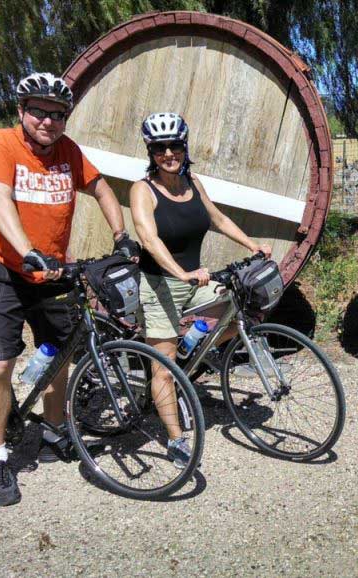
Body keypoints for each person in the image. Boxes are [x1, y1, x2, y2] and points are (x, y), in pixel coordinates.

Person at [0, 72, 140, 506]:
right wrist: (26, 250)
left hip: (50, 274)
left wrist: (121, 235)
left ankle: (50, 431)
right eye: (39, 112)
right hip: (3, 269)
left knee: (61, 354)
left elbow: (101, 189)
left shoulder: (69, 151)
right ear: (21, 112)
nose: (47, 121)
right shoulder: (1, 144)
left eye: (57, 114)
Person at [130, 113, 271, 467]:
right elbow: (148, 238)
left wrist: (252, 245)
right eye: (160, 148)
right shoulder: (142, 190)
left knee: (241, 305)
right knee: (163, 367)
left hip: (195, 281)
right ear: (151, 152)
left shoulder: (192, 181)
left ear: (184, 147)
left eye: (174, 146)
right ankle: (176, 439)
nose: (168, 153)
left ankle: (190, 350)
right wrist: (182, 272)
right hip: (160, 284)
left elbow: (218, 219)